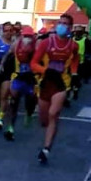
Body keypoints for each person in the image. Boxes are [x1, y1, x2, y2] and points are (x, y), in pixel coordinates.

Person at [30, 12, 79, 164]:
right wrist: (45, 70)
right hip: (45, 82)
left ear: (70, 28)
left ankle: (46, 148)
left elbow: (76, 59)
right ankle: (48, 131)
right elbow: (34, 63)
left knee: (53, 114)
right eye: (60, 23)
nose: (62, 26)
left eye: (65, 24)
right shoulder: (46, 43)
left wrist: (75, 73)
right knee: (44, 119)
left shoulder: (73, 45)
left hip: (61, 83)